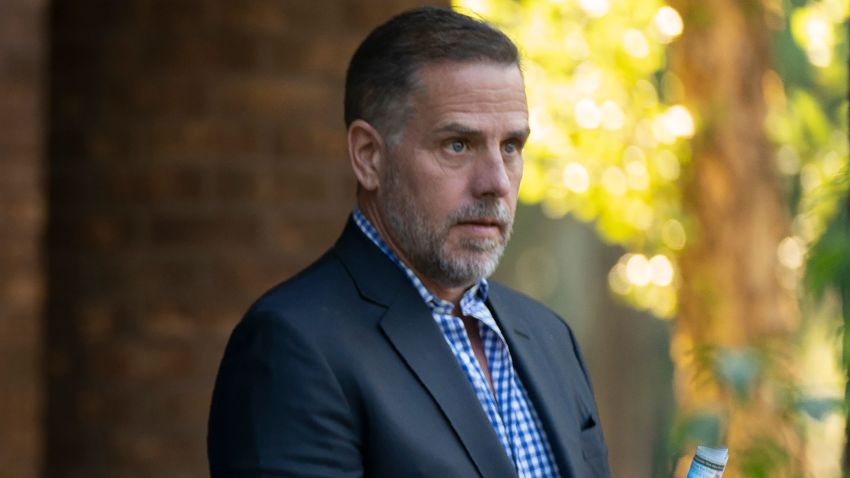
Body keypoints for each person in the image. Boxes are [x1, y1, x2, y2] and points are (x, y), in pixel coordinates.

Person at [208, 7, 611, 478]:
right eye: (457, 144)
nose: (496, 182)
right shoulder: (290, 347)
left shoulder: (548, 337)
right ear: (369, 157)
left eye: (511, 147)